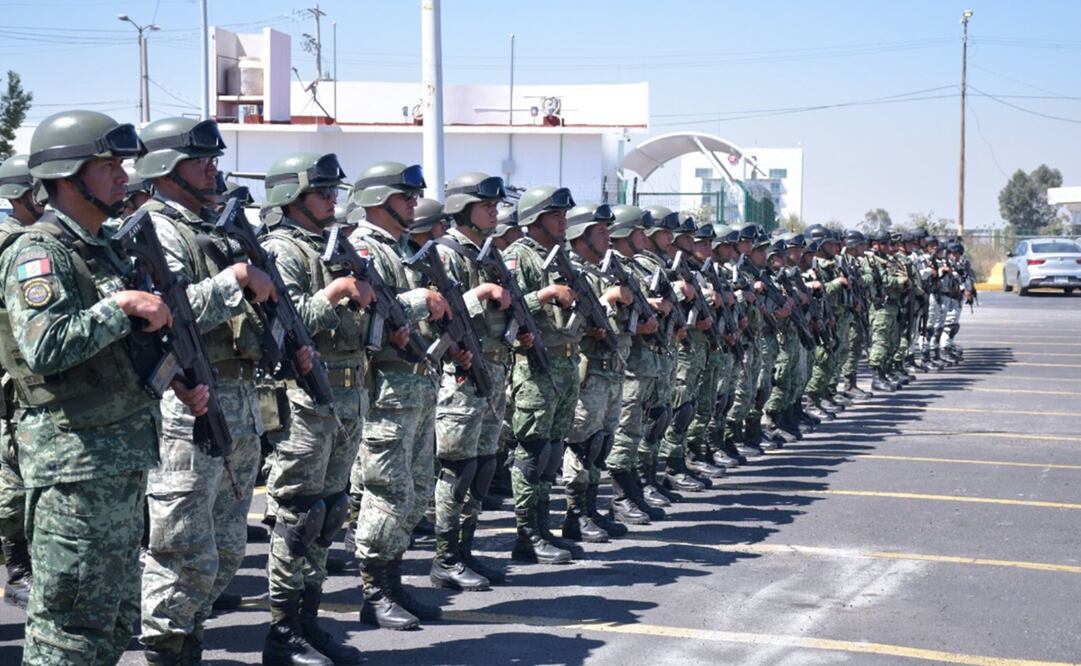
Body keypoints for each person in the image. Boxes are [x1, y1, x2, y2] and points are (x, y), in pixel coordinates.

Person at [0, 109, 208, 664]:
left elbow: (121, 351)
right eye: (108, 165)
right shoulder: (38, 253)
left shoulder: (103, 247)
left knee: (112, 622)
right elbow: (46, 346)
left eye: (121, 164)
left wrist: (174, 378)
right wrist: (121, 306)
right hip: (75, 466)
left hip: (119, 458)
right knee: (68, 628)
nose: (123, 175)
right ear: (68, 177)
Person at [131, 116, 281, 665]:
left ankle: (188, 639)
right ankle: (167, 650)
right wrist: (234, 280)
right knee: (182, 547)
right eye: (201, 162)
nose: (213, 171)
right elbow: (162, 314)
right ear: (166, 169)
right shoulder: (155, 229)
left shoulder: (213, 228)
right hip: (188, 403)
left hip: (237, 399)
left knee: (224, 547)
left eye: (213, 161)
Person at [256, 151, 371, 664]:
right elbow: (283, 318)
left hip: (345, 393)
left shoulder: (331, 246)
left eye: (333, 192)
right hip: (304, 396)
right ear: (292, 196)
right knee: (299, 513)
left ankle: (308, 617)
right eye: (322, 192)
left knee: (329, 510)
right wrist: (336, 291)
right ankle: (282, 630)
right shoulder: (280, 249)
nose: (332, 200)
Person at [349, 161, 451, 630]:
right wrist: (418, 302)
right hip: (387, 392)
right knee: (387, 491)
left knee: (416, 489)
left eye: (413, 197)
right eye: (404, 196)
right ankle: (373, 590)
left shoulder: (403, 249)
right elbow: (359, 310)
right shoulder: (361, 248)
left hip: (417, 386)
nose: (413, 204)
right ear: (376, 200)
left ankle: (392, 580)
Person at [428, 172, 519, 589]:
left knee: (483, 466)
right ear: (463, 209)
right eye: (487, 206)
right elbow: (436, 313)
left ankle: (464, 551)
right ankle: (445, 557)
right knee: (459, 469)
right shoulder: (445, 254)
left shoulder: (485, 253)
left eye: (496, 206)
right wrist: (480, 294)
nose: (495, 212)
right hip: (461, 375)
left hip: (492, 371)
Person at [502, 185, 581, 565]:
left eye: (564, 214)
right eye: (555, 215)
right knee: (532, 452)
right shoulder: (518, 255)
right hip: (534, 366)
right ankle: (526, 534)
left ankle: (542, 526)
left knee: (552, 451)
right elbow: (506, 307)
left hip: (565, 364)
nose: (563, 221)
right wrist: (545, 295)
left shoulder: (561, 256)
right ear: (535, 218)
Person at [562, 202, 645, 543]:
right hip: (589, 373)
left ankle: (590, 508)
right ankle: (575, 514)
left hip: (612, 371)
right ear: (580, 235)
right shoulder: (569, 271)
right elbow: (568, 326)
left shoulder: (602, 271)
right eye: (599, 231)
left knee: (601, 444)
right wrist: (609, 300)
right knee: (582, 444)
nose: (607, 237)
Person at [0, 153, 43, 609]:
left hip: (21, 378)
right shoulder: (9, 244)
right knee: (12, 487)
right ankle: (18, 570)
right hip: (9, 380)